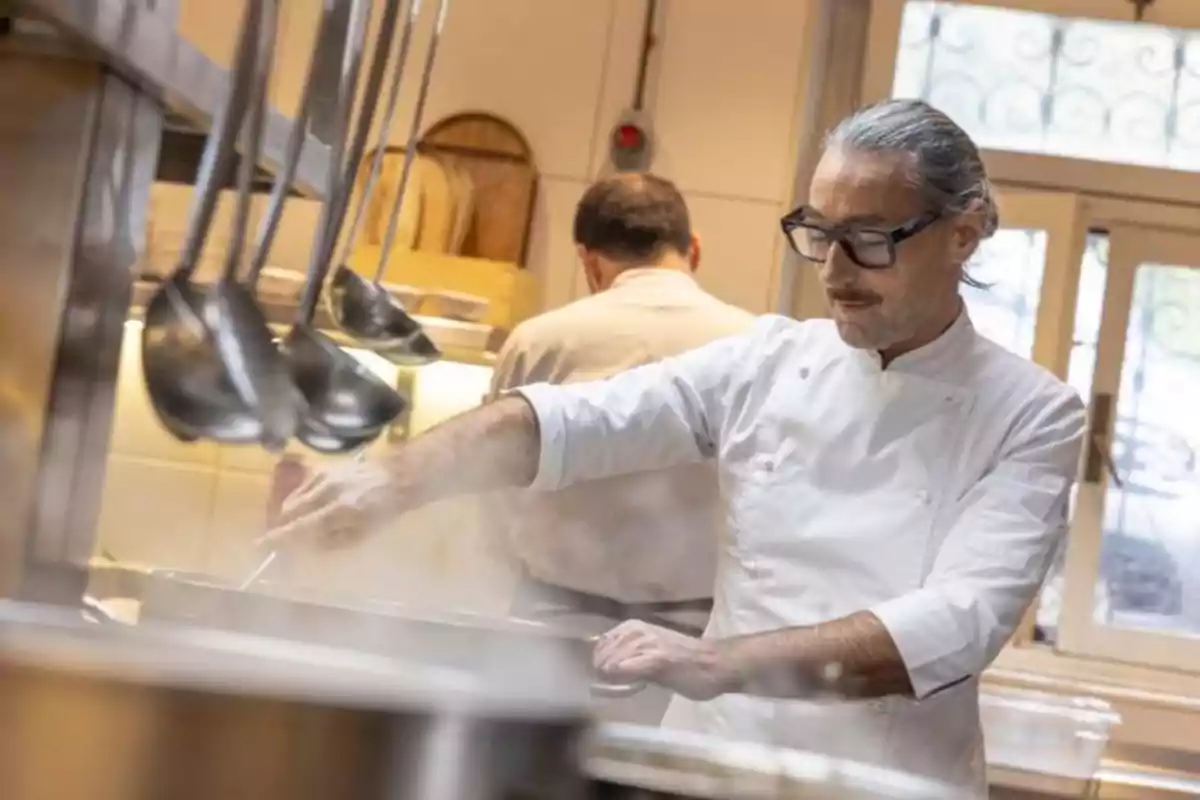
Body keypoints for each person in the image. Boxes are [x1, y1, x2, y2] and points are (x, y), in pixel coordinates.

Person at [267, 99, 1085, 796]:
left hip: (884, 782)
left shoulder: (1031, 414)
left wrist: (720, 661)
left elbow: (956, 621)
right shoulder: (769, 361)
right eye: (818, 233)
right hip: (714, 768)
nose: (833, 271)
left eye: (870, 238)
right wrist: (393, 481)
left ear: (965, 233)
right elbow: (573, 421)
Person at [485, 172, 755, 723]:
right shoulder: (754, 344)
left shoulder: (540, 340)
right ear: (693, 247)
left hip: (551, 626)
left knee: (535, 780)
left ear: (589, 261)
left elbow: (492, 482)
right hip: (693, 643)